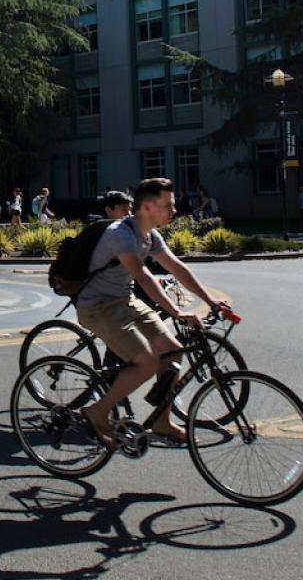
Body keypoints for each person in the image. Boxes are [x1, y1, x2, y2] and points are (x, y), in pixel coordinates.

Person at [77, 177, 229, 449]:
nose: (174, 210)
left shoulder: (149, 235)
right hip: (97, 307)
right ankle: (96, 411)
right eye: (168, 205)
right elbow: (144, 277)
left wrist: (210, 301)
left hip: (124, 301)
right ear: (147, 207)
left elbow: (176, 267)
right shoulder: (120, 234)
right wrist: (178, 312)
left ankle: (161, 421)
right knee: (147, 362)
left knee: (173, 350)